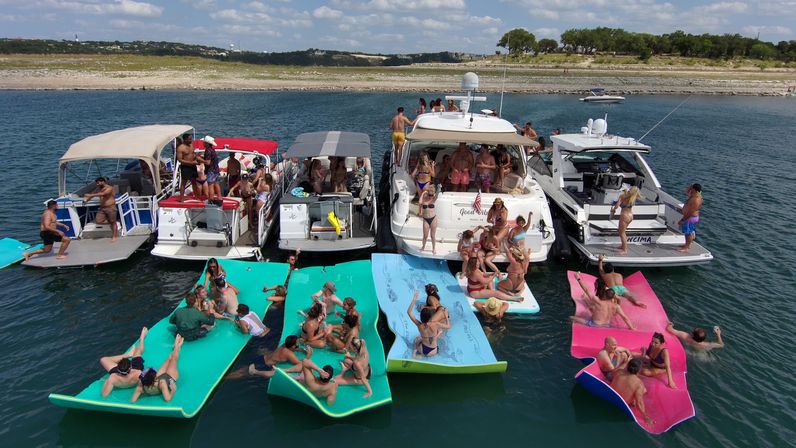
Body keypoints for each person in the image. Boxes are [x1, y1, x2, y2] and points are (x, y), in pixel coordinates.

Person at [569, 272, 635, 329]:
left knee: (572, 317)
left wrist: (578, 278)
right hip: (607, 325)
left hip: (594, 324)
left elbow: (586, 290)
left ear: (605, 294)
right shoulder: (616, 306)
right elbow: (625, 317)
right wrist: (632, 328)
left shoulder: (598, 301)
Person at [131, 335, 183, 403]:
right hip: (169, 379)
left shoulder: (141, 385)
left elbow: (132, 401)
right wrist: (173, 390)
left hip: (157, 380)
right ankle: (176, 347)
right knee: (173, 359)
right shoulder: (162, 383)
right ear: (155, 377)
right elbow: (168, 399)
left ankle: (176, 347)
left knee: (169, 359)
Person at [100, 327, 148, 397]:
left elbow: (104, 395)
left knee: (103, 359)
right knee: (138, 351)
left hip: (119, 378)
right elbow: (147, 386)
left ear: (117, 367)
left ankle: (128, 355)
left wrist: (106, 382)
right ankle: (142, 338)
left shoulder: (113, 377)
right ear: (131, 366)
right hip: (135, 372)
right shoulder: (139, 373)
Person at [610, 358, 654, 425]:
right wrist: (646, 417)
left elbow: (613, 374)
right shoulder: (639, 383)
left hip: (610, 398)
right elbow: (639, 403)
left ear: (627, 366)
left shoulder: (618, 372)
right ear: (639, 370)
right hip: (622, 406)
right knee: (644, 390)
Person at [407, 291, 451, 358]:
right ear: (431, 316)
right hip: (433, 351)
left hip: (421, 348)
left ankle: (415, 352)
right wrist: (445, 315)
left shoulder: (419, 325)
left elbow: (409, 312)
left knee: (417, 339)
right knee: (439, 332)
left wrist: (414, 300)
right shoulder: (435, 324)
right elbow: (448, 326)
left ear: (421, 317)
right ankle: (422, 356)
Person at [83, 177, 118, 242]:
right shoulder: (98, 188)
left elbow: (103, 194)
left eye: (98, 183)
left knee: (113, 222)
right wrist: (86, 200)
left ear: (103, 181)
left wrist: (90, 195)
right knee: (98, 221)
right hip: (102, 208)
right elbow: (92, 195)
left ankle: (114, 236)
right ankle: (112, 222)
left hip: (110, 207)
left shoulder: (109, 188)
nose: (97, 184)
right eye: (97, 183)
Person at [610, 186, 642, 256]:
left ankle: (625, 250)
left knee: (621, 233)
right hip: (630, 216)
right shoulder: (633, 197)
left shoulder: (623, 196)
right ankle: (622, 246)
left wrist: (613, 210)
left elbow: (616, 206)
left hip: (624, 216)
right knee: (623, 232)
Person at [678, 183, 703, 252]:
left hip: (690, 218)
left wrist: (682, 220)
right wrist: (690, 187)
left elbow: (691, 212)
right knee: (688, 232)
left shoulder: (696, 200)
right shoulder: (695, 195)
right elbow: (686, 192)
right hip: (689, 217)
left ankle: (686, 247)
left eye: (692, 188)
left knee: (688, 233)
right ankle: (686, 245)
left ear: (694, 189)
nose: (690, 189)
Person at [176, 133, 200, 201]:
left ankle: (197, 197)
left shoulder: (191, 145)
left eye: (191, 138)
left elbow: (193, 154)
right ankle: (181, 198)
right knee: (184, 182)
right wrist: (191, 162)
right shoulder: (180, 148)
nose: (191, 140)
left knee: (194, 182)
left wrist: (198, 159)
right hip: (185, 167)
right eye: (189, 139)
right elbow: (180, 159)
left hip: (193, 166)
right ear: (185, 139)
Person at [419, 185, 438, 254]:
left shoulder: (433, 199)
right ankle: (423, 246)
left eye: (432, 195)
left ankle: (434, 248)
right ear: (427, 193)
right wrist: (423, 193)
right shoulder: (424, 198)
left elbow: (436, 195)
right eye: (429, 195)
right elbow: (420, 202)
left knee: (432, 235)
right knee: (425, 235)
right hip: (426, 219)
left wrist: (438, 189)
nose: (430, 196)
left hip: (433, 218)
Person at [201, 136, 221, 201]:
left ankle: (211, 198)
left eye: (204, 142)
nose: (203, 143)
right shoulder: (212, 150)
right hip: (216, 169)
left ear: (207, 143)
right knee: (216, 183)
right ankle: (219, 197)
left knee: (210, 185)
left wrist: (200, 159)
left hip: (211, 170)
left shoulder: (208, 151)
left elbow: (208, 163)